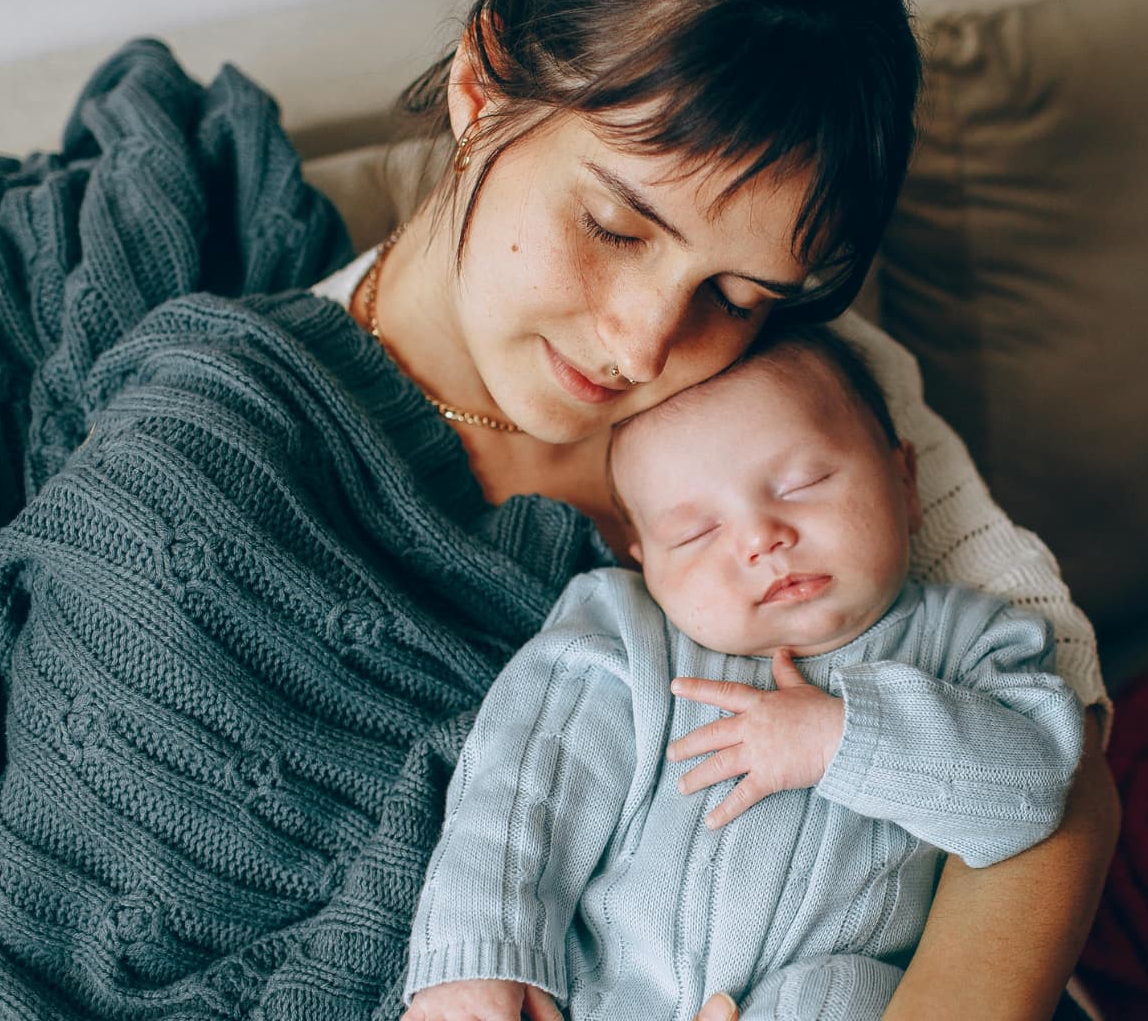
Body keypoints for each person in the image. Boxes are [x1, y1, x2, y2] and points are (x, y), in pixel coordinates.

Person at [0, 0, 1116, 1018]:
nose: (641, 345)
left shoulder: (796, 397)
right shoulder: (223, 442)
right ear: (483, 80)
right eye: (617, 226)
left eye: (737, 292)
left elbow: (1061, 782)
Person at [402, 328, 1087, 1020]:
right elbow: (520, 794)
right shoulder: (623, 633)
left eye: (803, 483)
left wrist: (844, 738)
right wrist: (472, 961)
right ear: (647, 561)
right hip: (604, 1002)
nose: (761, 538)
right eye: (695, 532)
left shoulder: (977, 641)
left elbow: (1032, 796)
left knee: (838, 997)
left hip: (834, 1002)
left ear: (905, 483)